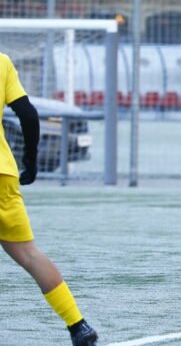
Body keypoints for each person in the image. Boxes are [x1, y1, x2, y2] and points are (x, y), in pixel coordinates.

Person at [1, 52, 99, 346]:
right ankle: (78, 326)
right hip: (3, 173)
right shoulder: (2, 62)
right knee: (29, 254)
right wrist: (30, 161)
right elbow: (28, 115)